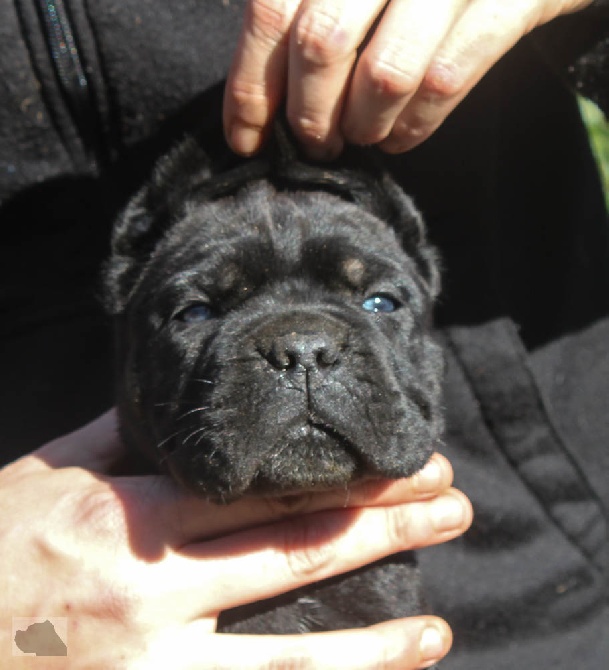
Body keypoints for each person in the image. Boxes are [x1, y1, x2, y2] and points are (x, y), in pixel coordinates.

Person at [0, 0, 607, 668]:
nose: (303, 353)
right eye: (197, 311)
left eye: (378, 299)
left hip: (538, 598)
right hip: (57, 599)